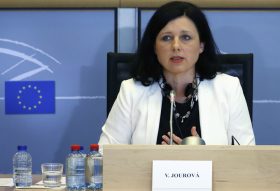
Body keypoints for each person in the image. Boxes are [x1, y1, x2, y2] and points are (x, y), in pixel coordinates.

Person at [98, 1, 255, 145]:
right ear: (154, 47)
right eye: (166, 38)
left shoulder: (228, 88)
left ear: (201, 45)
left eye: (186, 37)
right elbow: (106, 158)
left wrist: (203, 158)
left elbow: (246, 161)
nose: (176, 46)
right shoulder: (131, 91)